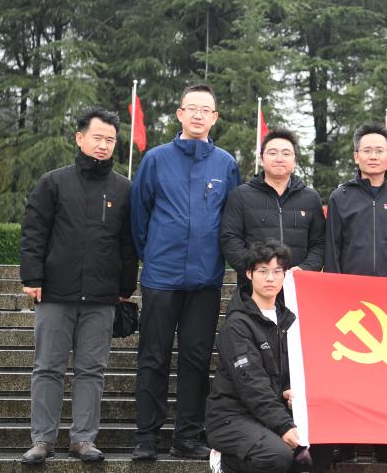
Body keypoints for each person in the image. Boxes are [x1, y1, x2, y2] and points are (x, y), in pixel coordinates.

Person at [18, 107, 137, 465]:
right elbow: (34, 232)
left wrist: (126, 287)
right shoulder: (53, 182)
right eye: (97, 137)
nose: (103, 145)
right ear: (80, 137)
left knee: (92, 370)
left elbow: (128, 243)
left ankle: (83, 439)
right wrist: (32, 277)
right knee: (47, 368)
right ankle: (43, 439)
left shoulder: (123, 188)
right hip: (55, 292)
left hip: (102, 297)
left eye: (110, 140)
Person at [130, 84, 242, 461]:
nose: (197, 115)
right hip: (161, 278)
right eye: (191, 108)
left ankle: (188, 437)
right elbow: (139, 216)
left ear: (214, 117)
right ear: (179, 114)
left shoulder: (226, 164)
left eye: (205, 110)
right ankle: (146, 437)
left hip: (205, 281)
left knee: (197, 360)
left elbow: (231, 219)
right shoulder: (156, 159)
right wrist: (153, 254)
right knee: (153, 357)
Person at [325, 121, 387, 464]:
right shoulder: (340, 197)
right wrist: (334, 294)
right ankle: (345, 439)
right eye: (367, 150)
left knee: (386, 376)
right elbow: (333, 249)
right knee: (349, 373)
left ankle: (383, 441)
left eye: (380, 150)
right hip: (350, 302)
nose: (374, 156)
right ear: (356, 156)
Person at [206, 241, 312, 473]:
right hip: (231, 417)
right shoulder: (237, 324)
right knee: (277, 455)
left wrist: (287, 389)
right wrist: (284, 426)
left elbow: (290, 368)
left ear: (285, 275)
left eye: (277, 271)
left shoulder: (288, 320)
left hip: (269, 412)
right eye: (263, 271)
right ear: (249, 274)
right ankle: (225, 461)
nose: (270, 278)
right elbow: (251, 383)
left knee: (314, 451)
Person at [222, 127, 325, 285]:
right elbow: (230, 239)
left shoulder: (310, 198)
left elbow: (320, 242)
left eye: (286, 153)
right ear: (262, 158)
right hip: (253, 288)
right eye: (272, 153)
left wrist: (305, 269)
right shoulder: (240, 195)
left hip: (297, 286)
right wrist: (255, 270)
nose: (279, 158)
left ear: (295, 160)